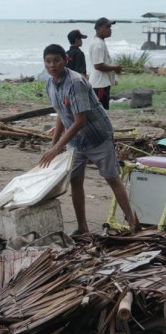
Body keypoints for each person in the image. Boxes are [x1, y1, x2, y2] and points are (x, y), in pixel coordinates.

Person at [39, 44, 139, 236]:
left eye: (56, 61)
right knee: (76, 182)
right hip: (76, 143)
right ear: (44, 63)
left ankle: (132, 221)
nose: (52, 65)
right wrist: (54, 146)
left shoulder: (75, 82)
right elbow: (61, 114)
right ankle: (82, 227)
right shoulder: (50, 84)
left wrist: (56, 148)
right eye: (48, 61)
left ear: (65, 60)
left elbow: (79, 122)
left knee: (112, 179)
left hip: (97, 136)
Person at [89, 17, 122, 109]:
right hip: (99, 85)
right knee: (101, 111)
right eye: (107, 27)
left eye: (110, 27)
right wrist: (115, 68)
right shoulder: (98, 44)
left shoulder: (100, 41)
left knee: (103, 111)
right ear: (98, 28)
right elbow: (98, 65)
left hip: (102, 84)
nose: (110, 30)